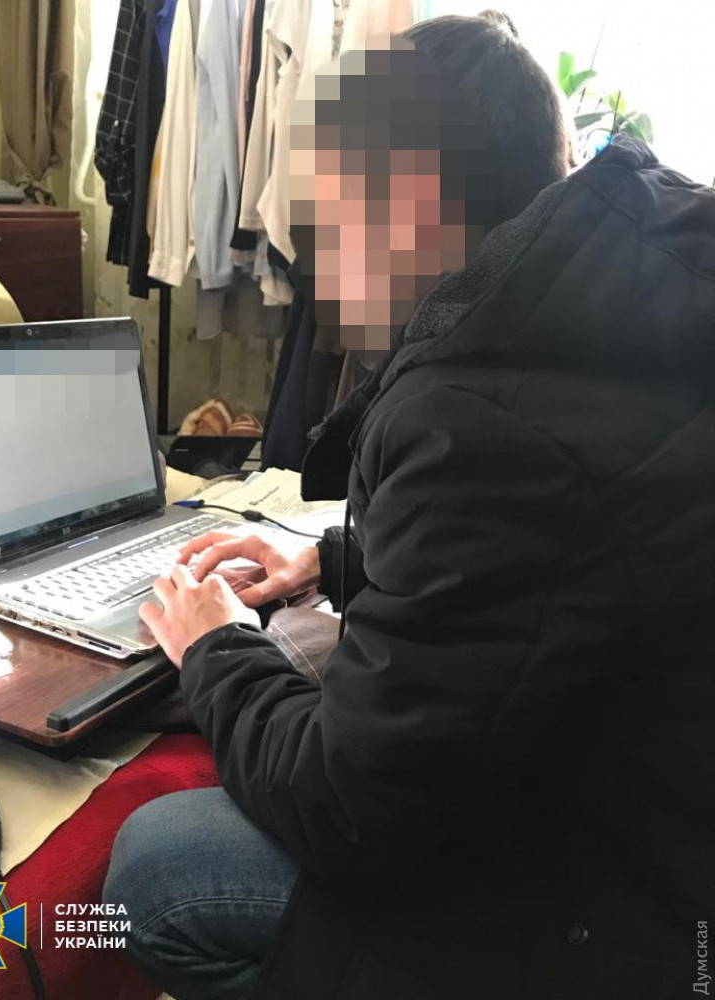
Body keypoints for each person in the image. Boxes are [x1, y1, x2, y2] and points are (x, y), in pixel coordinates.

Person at [104, 13, 715, 1000]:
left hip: (629, 919)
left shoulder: (477, 415)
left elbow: (342, 808)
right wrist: (337, 560)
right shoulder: (634, 273)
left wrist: (213, 646)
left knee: (157, 866)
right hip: (668, 820)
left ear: (413, 202)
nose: (316, 258)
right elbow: (581, 545)